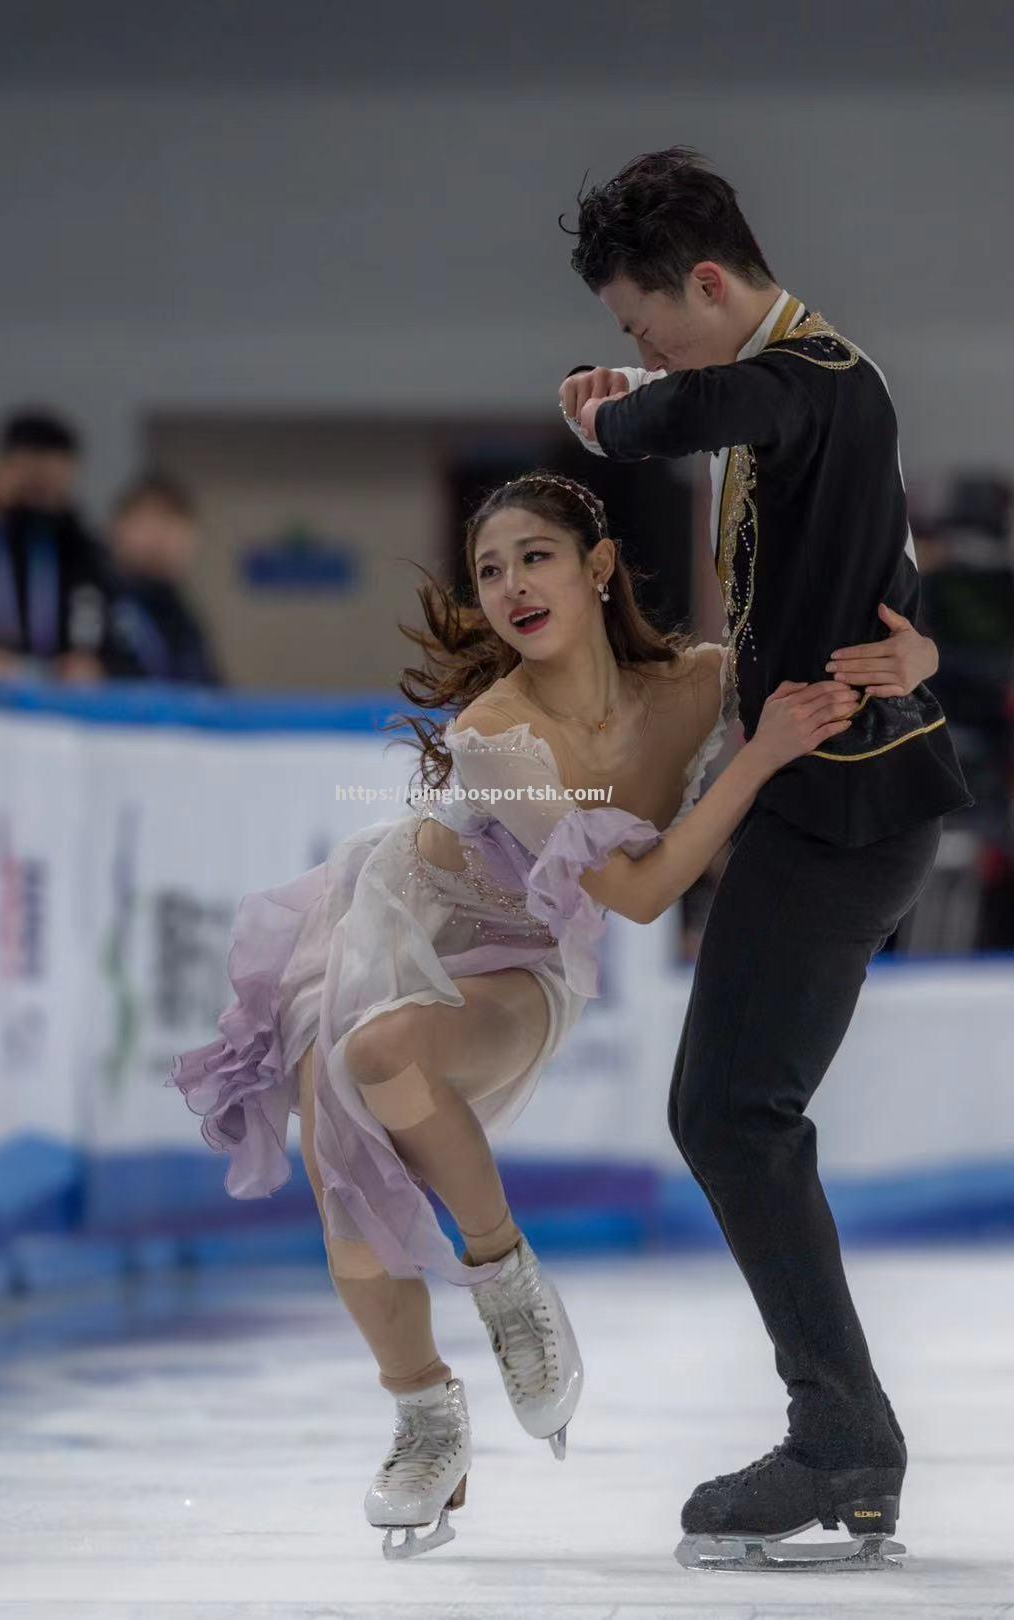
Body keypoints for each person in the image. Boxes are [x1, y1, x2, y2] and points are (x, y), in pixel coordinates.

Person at [169, 470, 938, 1561]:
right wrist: (761, 755)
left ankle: (504, 1287)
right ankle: (427, 1413)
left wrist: (923, 659)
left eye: (535, 557)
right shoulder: (495, 731)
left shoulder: (703, 682)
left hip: (513, 969)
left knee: (384, 1056)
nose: (512, 585)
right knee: (348, 1174)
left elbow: (852, 671)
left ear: (599, 565)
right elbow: (637, 892)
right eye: (489, 570)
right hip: (390, 931)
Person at [558, 147, 973, 1569]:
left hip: (839, 809)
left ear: (712, 285)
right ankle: (844, 1436)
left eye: (641, 325)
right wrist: (919, 649)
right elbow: (876, 566)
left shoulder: (813, 379)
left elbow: (723, 400)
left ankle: (844, 1437)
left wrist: (614, 424)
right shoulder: (822, 394)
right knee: (733, 1115)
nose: (641, 350)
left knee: (731, 1116)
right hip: (846, 800)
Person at [0, 409, 139, 682]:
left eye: (51, 485)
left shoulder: (79, 551)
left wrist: (98, 663)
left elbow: (121, 628)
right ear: (1, 469)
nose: (39, 496)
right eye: (30, 481)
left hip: (52, 701)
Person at [109, 473, 223, 685]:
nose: (160, 536)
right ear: (118, 528)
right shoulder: (95, 603)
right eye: (149, 520)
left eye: (173, 523)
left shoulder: (182, 615)